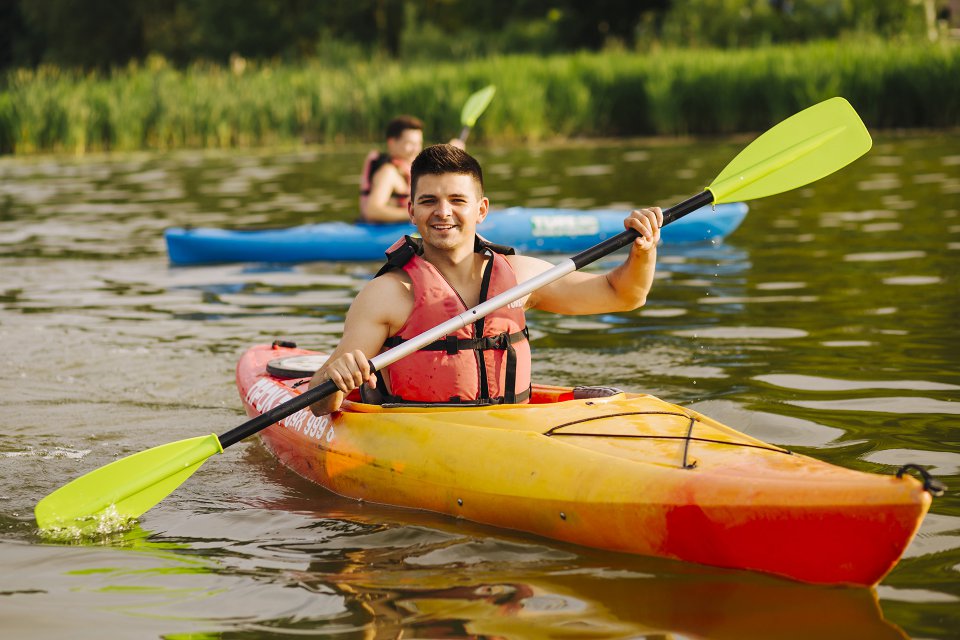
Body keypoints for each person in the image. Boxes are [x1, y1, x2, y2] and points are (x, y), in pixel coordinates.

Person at [311, 143, 662, 415]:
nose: (443, 212)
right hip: (421, 442)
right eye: (429, 200)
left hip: (512, 436)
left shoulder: (521, 277)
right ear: (412, 211)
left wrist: (643, 251)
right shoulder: (387, 295)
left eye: (457, 200)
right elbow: (319, 402)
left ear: (481, 210)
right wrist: (336, 379)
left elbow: (622, 295)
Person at [359, 115, 465, 223]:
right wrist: (416, 213)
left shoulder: (410, 167)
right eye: (410, 143)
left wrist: (451, 155)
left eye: (418, 143)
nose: (416, 149)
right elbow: (372, 211)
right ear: (392, 143)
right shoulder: (388, 172)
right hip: (382, 233)